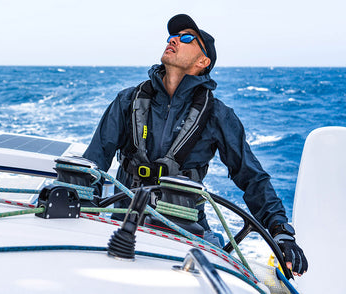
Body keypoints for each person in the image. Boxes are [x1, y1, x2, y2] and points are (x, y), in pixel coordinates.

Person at [82, 14, 308, 277]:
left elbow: (252, 177)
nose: (175, 40)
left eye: (187, 38)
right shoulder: (128, 101)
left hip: (185, 229)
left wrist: (281, 232)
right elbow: (95, 161)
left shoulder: (218, 115)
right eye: (172, 37)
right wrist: (79, 199)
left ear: (203, 61)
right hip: (124, 220)